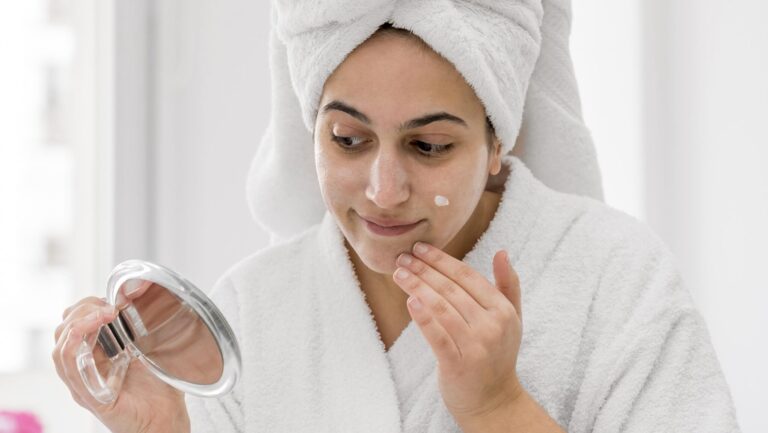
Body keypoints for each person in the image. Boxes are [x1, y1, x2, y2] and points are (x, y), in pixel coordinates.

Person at [52, 1, 741, 432]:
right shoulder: (251, 310)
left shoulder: (616, 281)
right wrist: (161, 430)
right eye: (347, 140)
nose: (384, 190)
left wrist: (499, 410)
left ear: (499, 139)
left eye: (429, 145)